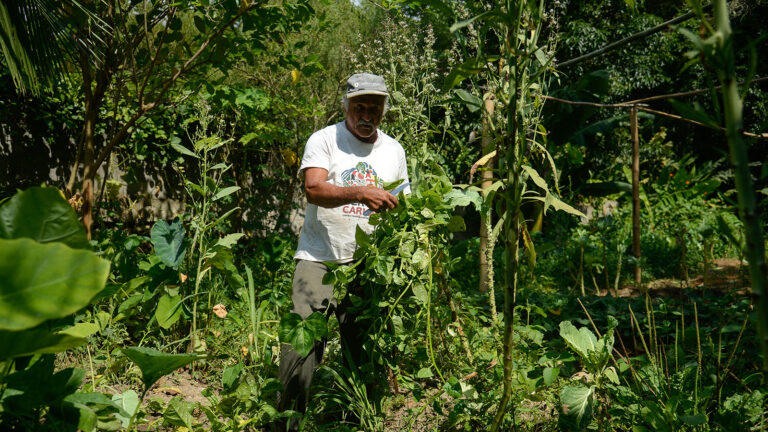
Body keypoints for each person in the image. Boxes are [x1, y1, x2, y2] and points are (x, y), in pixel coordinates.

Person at [276, 73, 410, 430]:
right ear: (346, 106)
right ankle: (288, 424)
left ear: (384, 110)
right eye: (359, 107)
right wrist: (361, 192)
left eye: (374, 108)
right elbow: (313, 189)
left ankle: (353, 421)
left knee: (362, 349)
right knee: (301, 342)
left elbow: (404, 203)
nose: (367, 115)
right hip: (320, 258)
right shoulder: (325, 140)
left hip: (368, 262)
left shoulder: (394, 150)